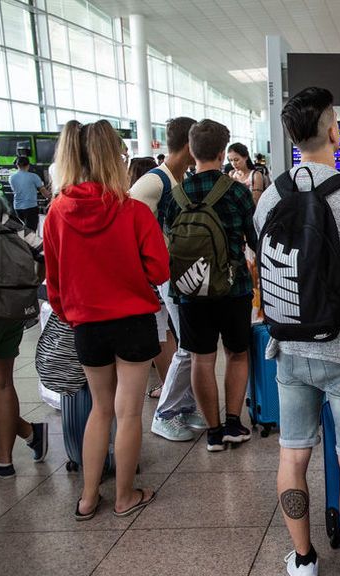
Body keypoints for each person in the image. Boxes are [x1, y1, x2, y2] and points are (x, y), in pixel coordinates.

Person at [254, 86, 340, 576]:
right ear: (334, 132)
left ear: (293, 137)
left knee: (293, 456)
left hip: (289, 349)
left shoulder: (270, 196)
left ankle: (304, 559)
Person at [44, 120, 168, 519]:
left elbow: (54, 279)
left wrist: (72, 313)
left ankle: (87, 496)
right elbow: (160, 269)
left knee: (99, 409)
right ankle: (125, 496)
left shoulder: (57, 211)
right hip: (132, 320)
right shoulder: (131, 210)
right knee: (128, 411)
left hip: (86, 325)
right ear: (113, 157)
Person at [163, 120, 257, 453]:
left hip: (189, 291)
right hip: (233, 289)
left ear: (191, 151)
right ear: (222, 153)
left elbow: (168, 241)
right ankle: (234, 423)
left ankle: (213, 432)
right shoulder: (237, 192)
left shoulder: (174, 195)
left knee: (201, 359)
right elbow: (254, 238)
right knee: (236, 354)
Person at [128, 117, 206, 441]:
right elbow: (131, 233)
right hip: (163, 278)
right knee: (189, 344)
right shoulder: (153, 183)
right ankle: (166, 413)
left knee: (188, 343)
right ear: (188, 146)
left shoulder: (175, 179)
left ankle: (183, 407)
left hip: (175, 274)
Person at [0, 163, 49, 478]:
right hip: (11, 308)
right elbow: (41, 251)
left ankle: (28, 433)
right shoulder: (1, 214)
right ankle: (4, 458)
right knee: (1, 382)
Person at [10, 156, 48, 233]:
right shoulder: (34, 176)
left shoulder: (11, 177)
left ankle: (23, 244)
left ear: (17, 165)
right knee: (31, 231)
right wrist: (51, 197)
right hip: (30, 207)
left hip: (17, 207)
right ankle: (29, 245)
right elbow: (44, 192)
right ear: (28, 165)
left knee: (22, 230)